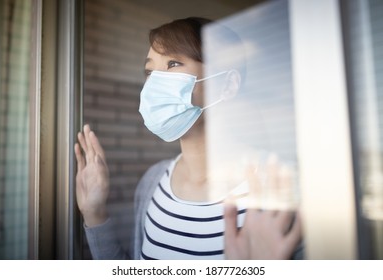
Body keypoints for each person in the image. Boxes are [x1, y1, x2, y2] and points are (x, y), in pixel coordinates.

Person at [74, 17, 302, 260]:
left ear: (227, 84)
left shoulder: (279, 186)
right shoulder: (153, 182)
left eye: (173, 63)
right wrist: (94, 214)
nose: (154, 83)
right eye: (149, 71)